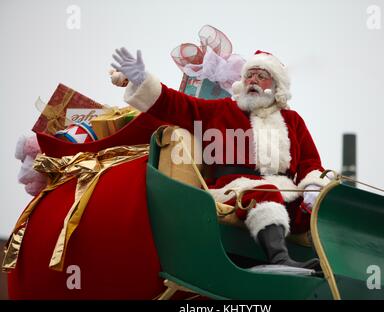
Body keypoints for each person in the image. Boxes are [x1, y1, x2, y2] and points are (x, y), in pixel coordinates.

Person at [111, 47, 331, 269]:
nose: (253, 79)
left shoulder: (293, 120)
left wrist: (313, 188)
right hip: (233, 189)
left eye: (262, 76)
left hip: (285, 191)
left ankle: (330, 272)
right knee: (266, 193)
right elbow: (177, 104)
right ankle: (280, 261)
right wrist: (141, 79)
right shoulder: (222, 110)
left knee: (320, 209)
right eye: (249, 75)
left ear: (276, 86)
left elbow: (310, 163)